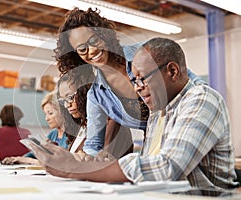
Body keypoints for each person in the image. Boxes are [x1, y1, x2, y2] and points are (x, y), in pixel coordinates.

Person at [31, 37, 238, 189]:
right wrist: (105, 163)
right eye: (134, 80)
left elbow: (167, 168)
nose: (137, 87)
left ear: (172, 71)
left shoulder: (201, 99)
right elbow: (151, 164)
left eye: (142, 79)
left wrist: (75, 168)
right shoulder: (157, 114)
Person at [54, 7, 204, 157]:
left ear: (104, 35)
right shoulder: (97, 96)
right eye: (82, 49)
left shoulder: (146, 53)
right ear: (76, 55)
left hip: (189, 131)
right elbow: (93, 145)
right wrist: (80, 158)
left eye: (94, 40)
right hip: (155, 148)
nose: (91, 50)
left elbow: (196, 86)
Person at [2, 91, 69, 165]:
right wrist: (17, 159)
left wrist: (29, 161)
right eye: (45, 114)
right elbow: (35, 153)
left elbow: (59, 162)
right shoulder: (53, 134)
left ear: (63, 112)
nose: (46, 118)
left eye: (50, 113)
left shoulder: (71, 135)